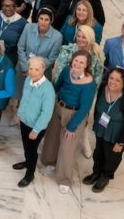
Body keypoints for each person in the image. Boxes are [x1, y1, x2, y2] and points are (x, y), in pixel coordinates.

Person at [41, 50, 97, 193]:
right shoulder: (67, 70)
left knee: (68, 146)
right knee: (52, 137)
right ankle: (50, 161)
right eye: (76, 60)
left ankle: (64, 179)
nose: (77, 64)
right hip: (58, 106)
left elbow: (85, 108)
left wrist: (72, 127)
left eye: (81, 62)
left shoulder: (89, 84)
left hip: (74, 114)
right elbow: (57, 86)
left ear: (87, 65)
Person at [86, 67, 124, 192]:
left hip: (117, 134)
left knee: (112, 157)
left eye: (117, 80)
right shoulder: (103, 88)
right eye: (111, 78)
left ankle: (105, 177)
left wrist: (120, 143)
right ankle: (96, 173)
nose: (113, 82)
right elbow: (98, 105)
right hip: (102, 128)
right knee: (99, 153)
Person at [12, 56, 55, 187]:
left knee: (32, 150)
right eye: (31, 68)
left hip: (36, 127)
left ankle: (30, 174)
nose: (33, 72)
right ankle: (27, 162)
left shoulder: (48, 90)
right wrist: (19, 114)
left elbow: (46, 113)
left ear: (43, 69)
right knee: (26, 146)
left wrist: (36, 130)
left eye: (36, 69)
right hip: (24, 121)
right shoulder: (28, 80)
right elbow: (24, 99)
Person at [14, 7, 63, 98]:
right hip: (23, 67)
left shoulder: (57, 37)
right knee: (20, 93)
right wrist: (25, 68)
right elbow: (21, 48)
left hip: (42, 71)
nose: (43, 22)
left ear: (51, 21)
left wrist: (36, 70)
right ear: (38, 18)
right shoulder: (28, 27)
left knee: (34, 98)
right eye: (41, 18)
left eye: (46, 20)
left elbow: (51, 58)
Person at [0, 0, 27, 67]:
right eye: (5, 6)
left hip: (10, 57)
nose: (7, 8)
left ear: (15, 7)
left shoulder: (23, 23)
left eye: (11, 6)